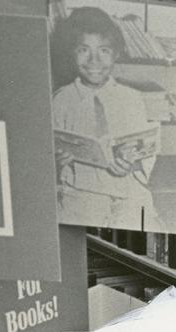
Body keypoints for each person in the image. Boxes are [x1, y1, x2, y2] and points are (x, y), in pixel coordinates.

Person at [51, 7, 158, 230]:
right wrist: (57, 159)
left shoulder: (132, 98)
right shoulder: (61, 100)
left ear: (116, 54)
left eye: (104, 51)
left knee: (143, 219)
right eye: (83, 50)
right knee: (78, 226)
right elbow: (52, 148)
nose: (94, 60)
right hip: (82, 188)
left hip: (127, 185)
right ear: (71, 53)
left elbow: (148, 149)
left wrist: (133, 163)